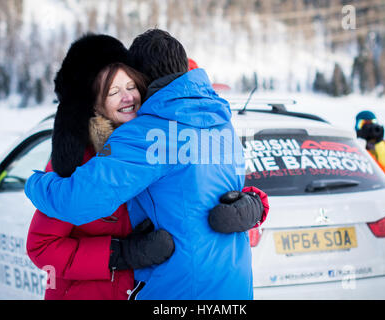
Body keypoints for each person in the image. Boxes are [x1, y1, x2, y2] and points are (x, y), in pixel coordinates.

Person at [26, 33, 268, 300]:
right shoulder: (77, 162)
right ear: (94, 104)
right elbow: (43, 245)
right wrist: (118, 253)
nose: (127, 97)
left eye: (131, 85)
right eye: (112, 91)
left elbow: (201, 189)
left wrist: (255, 204)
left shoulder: (163, 133)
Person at [355, 110, 385, 185]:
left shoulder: (383, 144)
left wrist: (379, 143)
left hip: (383, 183)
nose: (368, 127)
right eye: (364, 124)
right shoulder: (353, 143)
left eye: (371, 123)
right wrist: (361, 140)